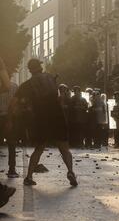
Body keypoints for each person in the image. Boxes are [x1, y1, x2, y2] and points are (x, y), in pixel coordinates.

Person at [8, 59, 77, 187]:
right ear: (39, 67)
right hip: (57, 116)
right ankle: (70, 171)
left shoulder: (27, 85)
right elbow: (59, 98)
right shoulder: (51, 78)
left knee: (39, 148)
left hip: (41, 119)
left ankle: (29, 177)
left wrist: (11, 117)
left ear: (30, 70)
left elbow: (14, 102)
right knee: (64, 148)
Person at [0, 56, 16, 209]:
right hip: (5, 117)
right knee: (11, 144)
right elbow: (5, 86)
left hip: (5, 116)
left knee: (11, 144)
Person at [0, 68, 19, 178]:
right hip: (10, 117)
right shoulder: (14, 87)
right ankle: (12, 169)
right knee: (12, 144)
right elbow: (16, 104)